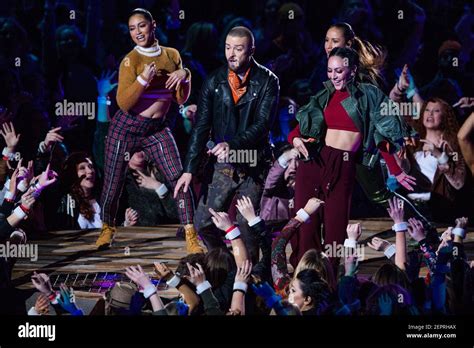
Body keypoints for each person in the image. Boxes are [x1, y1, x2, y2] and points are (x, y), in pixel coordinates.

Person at [288, 47, 415, 269]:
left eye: (339, 70)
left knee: (335, 229)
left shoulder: (368, 94)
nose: (333, 76)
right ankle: (304, 279)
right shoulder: (324, 95)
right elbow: (298, 130)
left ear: (353, 70)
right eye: (329, 71)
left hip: (343, 165)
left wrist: (395, 170)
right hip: (314, 163)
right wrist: (296, 140)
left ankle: (329, 283)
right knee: (306, 227)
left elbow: (381, 135)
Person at [97, 8, 203, 253]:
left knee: (179, 179)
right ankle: (107, 227)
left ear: (153, 25)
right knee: (113, 182)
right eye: (132, 29)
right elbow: (123, 103)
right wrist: (143, 80)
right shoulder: (130, 60)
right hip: (127, 127)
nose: (137, 32)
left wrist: (184, 76)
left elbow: (179, 98)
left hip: (156, 129)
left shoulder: (171, 54)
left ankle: (190, 232)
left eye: (142, 26)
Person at [174, 26, 279, 263]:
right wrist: (189, 168)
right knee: (203, 223)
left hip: (253, 163)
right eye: (227, 47)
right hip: (224, 164)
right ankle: (225, 267)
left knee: (245, 223)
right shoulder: (214, 81)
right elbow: (201, 126)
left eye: (238, 49)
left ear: (251, 51)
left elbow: (263, 124)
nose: (231, 54)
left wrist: (233, 144)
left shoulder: (267, 81)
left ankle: (250, 279)